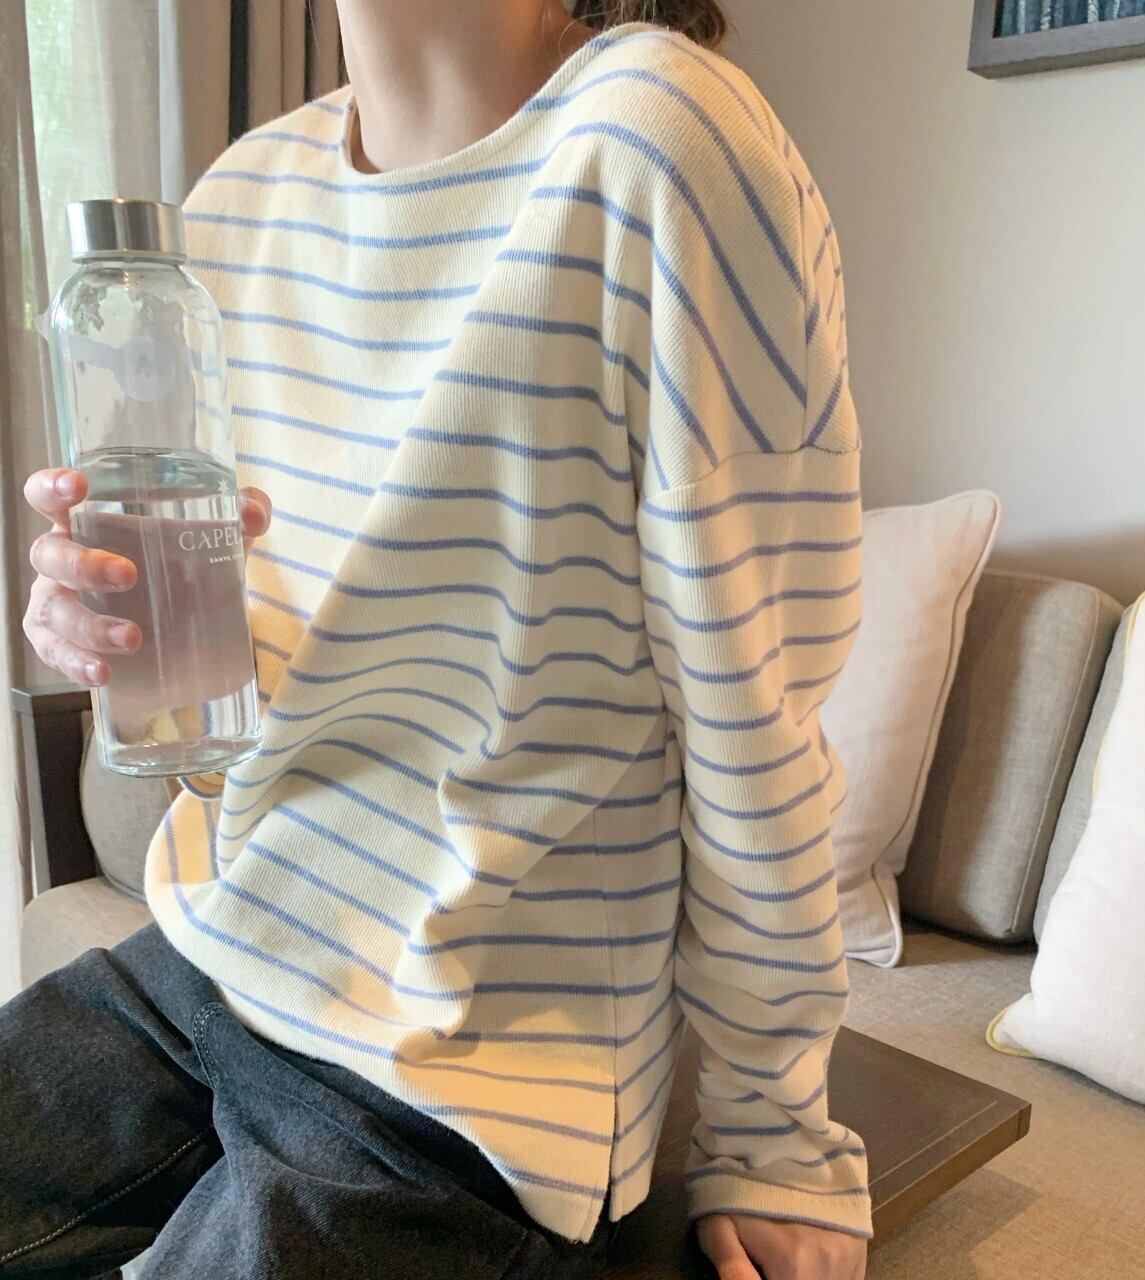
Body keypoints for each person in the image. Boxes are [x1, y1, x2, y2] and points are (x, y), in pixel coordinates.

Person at [6, 2, 869, 1277]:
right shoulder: (241, 197)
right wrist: (115, 639)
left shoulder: (658, 140)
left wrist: (772, 1130)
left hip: (471, 1070)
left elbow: (754, 714)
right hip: (214, 950)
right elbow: (244, 709)